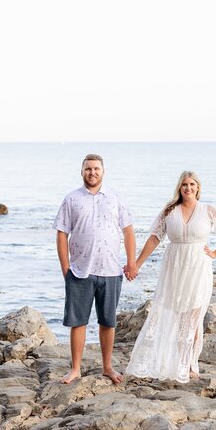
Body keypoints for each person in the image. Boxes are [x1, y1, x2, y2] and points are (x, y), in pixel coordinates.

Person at [125, 171, 216, 383]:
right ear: (179, 187)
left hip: (198, 266)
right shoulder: (170, 210)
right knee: (176, 314)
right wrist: (137, 264)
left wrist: (215, 253)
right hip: (174, 266)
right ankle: (178, 362)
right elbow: (154, 238)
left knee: (193, 316)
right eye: (184, 184)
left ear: (198, 187)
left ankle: (189, 364)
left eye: (192, 184)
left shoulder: (208, 210)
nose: (188, 188)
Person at [53, 153, 137, 384]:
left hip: (110, 270)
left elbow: (128, 231)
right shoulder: (71, 200)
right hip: (80, 270)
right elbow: (62, 234)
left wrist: (132, 262)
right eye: (88, 169)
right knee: (78, 321)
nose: (92, 172)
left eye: (96, 169)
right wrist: (65, 268)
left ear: (103, 172)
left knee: (108, 321)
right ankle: (76, 369)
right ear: (82, 172)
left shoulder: (115, 198)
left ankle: (107, 367)